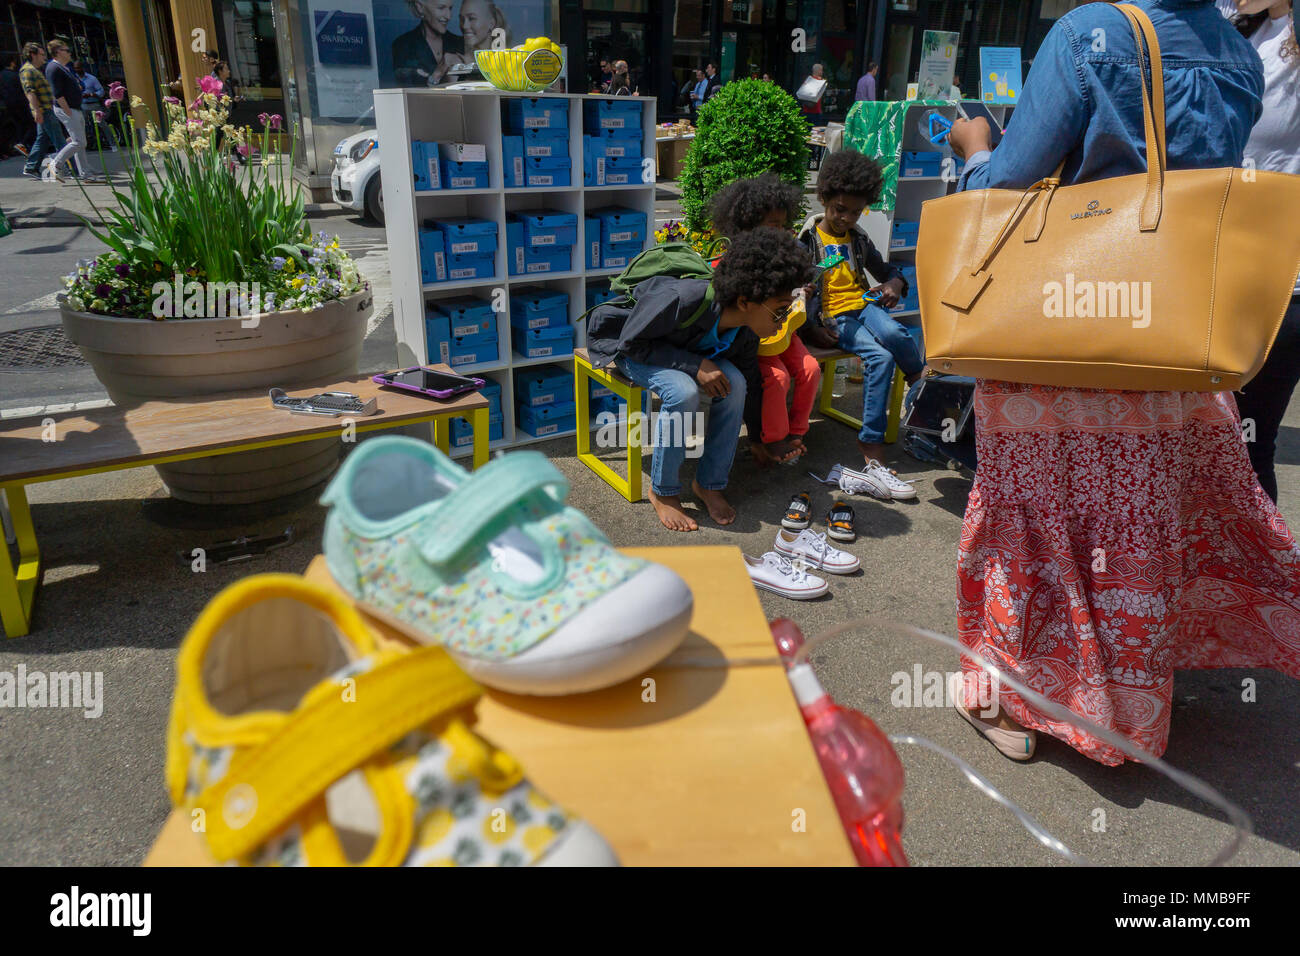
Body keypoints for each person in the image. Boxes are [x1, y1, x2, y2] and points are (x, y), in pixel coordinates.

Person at [946, 0, 1299, 767]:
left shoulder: (1087, 34)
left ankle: (1007, 695)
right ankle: (1128, 693)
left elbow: (1008, 184)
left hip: (1063, 332)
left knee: (1032, 514)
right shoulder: (1240, 57)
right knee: (1132, 521)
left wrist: (974, 149)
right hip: (1167, 337)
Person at [586, 228, 814, 531]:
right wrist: (694, 365)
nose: (783, 320)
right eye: (779, 310)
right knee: (682, 392)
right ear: (746, 301)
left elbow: (753, 383)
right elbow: (632, 343)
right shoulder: (683, 299)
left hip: (684, 352)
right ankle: (663, 491)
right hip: (634, 348)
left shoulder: (744, 334)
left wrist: (761, 441)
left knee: (738, 386)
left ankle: (709, 484)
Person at [796, 150, 922, 496]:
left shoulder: (859, 239)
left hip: (864, 306)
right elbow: (795, 293)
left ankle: (918, 379)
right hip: (832, 318)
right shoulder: (806, 241)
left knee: (896, 331)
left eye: (856, 211)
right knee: (879, 357)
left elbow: (888, 272)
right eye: (840, 209)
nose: (847, 218)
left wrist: (895, 285)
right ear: (823, 199)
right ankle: (871, 448)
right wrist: (810, 329)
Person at [1218, 0, 1300, 503]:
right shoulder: (1224, 24)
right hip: (1200, 273)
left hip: (1277, 286)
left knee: (1246, 450)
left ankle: (1259, 580)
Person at [710, 173, 820, 464]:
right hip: (756, 340)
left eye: (785, 226)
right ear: (747, 227)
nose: (782, 232)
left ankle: (797, 433)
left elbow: (797, 296)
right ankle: (774, 439)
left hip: (785, 332)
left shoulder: (787, 253)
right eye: (774, 226)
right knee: (777, 378)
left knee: (810, 369)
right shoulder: (736, 260)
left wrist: (804, 292)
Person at [45, 39, 99, 183]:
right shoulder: (54, 68)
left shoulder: (63, 67)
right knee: (79, 142)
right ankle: (55, 164)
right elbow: (57, 92)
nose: (69, 53)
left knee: (80, 142)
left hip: (74, 108)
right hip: (68, 109)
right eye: (66, 50)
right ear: (58, 52)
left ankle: (85, 173)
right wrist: (67, 110)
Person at [20, 42, 67, 181]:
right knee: (60, 141)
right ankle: (70, 169)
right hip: (44, 110)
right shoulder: (28, 70)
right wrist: (37, 111)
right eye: (41, 54)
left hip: (45, 109)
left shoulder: (34, 70)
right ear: (32, 55)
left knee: (42, 140)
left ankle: (31, 166)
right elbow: (30, 92)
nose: (44, 57)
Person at [391, 0, 464, 86]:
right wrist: (437, 74)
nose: (448, 16)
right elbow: (405, 91)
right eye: (441, 8)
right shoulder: (403, 45)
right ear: (420, 7)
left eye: (450, 8)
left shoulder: (460, 43)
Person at [3, 55, 35, 154]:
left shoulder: (2, 75)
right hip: (21, 104)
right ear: (12, 63)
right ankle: (23, 143)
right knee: (32, 125)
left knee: (19, 126)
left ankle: (22, 145)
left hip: (8, 105)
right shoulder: (16, 75)